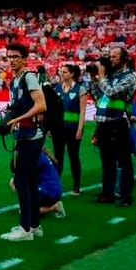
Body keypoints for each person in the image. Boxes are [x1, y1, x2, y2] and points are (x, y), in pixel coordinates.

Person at [0, 43, 47, 242]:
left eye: (16, 56)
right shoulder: (15, 80)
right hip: (26, 133)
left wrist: (18, 119)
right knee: (29, 180)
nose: (12, 60)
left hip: (31, 134)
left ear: (25, 58)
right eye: (9, 56)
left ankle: (25, 229)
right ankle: (34, 225)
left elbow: (41, 105)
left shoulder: (28, 77)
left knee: (21, 180)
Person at [87, 47, 136, 207]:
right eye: (111, 56)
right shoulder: (110, 76)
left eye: (115, 56)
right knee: (107, 161)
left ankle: (125, 196)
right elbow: (97, 95)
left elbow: (112, 92)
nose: (111, 59)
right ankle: (107, 194)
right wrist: (94, 78)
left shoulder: (129, 77)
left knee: (123, 161)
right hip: (103, 123)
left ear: (124, 59)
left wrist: (101, 77)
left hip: (118, 122)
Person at [52, 64, 86, 195]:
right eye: (61, 72)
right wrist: (51, 127)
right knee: (57, 158)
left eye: (64, 72)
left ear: (72, 74)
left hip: (73, 129)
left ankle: (76, 186)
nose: (61, 74)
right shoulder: (56, 89)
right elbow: (54, 111)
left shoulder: (80, 89)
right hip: (59, 130)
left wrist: (80, 128)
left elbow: (83, 111)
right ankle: (55, 186)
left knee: (73, 156)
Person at [9, 148, 65, 218]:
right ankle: (32, 204)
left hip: (49, 192)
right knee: (19, 181)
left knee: (26, 211)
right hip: (54, 191)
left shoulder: (35, 157)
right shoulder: (41, 154)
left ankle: (54, 207)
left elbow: (26, 176)